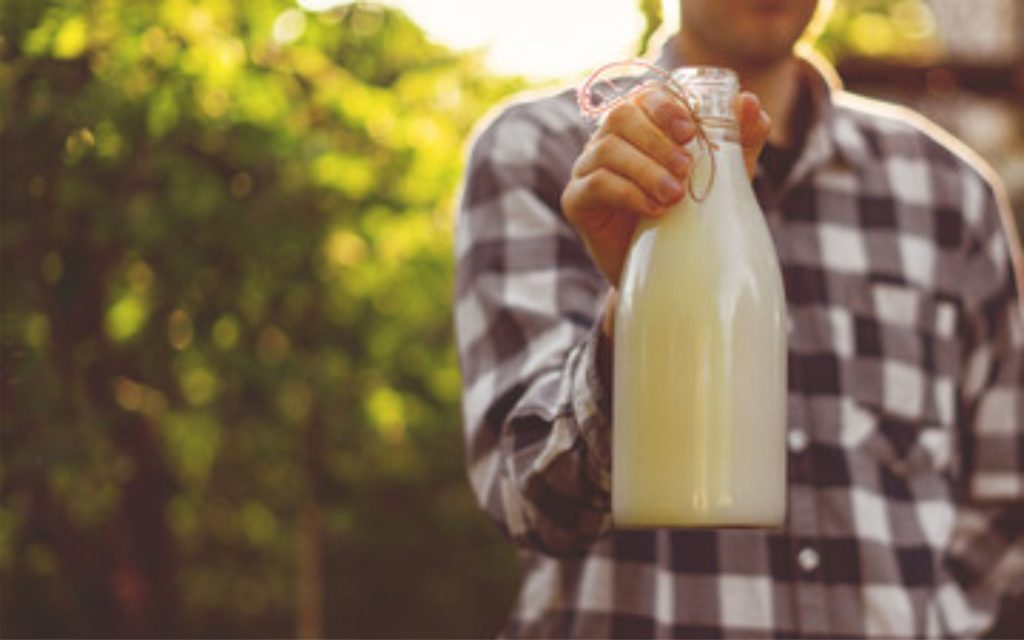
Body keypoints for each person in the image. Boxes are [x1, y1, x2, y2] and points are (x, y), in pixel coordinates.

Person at [454, 0, 1024, 636]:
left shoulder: (950, 195)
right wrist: (636, 301)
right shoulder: (545, 154)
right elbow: (529, 500)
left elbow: (1004, 502)